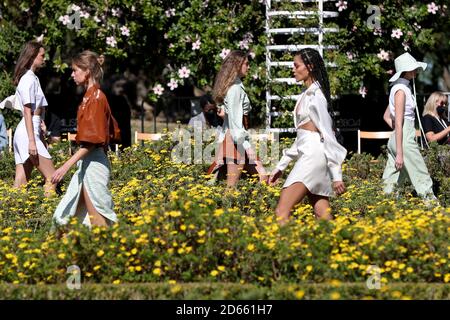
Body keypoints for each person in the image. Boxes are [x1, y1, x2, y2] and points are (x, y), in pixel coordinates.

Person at [268, 48, 347, 225]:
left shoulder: (316, 96)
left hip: (312, 158)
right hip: (309, 154)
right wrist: (281, 166)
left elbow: (328, 134)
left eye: (296, 66)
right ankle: (339, 246)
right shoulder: (306, 95)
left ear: (309, 67)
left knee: (282, 211)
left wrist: (336, 175)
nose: (293, 69)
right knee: (322, 215)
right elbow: (302, 138)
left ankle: (287, 251)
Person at [51, 51, 120, 228]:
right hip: (87, 163)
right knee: (65, 218)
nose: (72, 74)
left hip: (94, 164)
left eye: (75, 70)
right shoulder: (90, 96)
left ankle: (112, 253)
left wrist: (65, 166)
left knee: (97, 220)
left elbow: (93, 141)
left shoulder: (96, 98)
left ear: (87, 71)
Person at [382, 52, 436, 200]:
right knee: (421, 174)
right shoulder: (401, 91)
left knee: (392, 181)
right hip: (403, 139)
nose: (416, 71)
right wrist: (400, 151)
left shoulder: (398, 88)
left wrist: (397, 137)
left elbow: (386, 116)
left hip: (398, 138)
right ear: (406, 70)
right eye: (414, 68)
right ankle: (435, 211)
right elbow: (398, 122)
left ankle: (386, 209)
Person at [208, 50, 267, 186]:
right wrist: (250, 150)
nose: (248, 66)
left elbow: (231, 118)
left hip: (235, 140)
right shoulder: (235, 89)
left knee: (262, 179)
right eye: (246, 64)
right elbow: (236, 127)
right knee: (232, 188)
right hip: (236, 142)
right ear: (237, 65)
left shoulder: (235, 87)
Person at [12, 41, 56, 196]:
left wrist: (39, 132)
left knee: (21, 183)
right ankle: (51, 216)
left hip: (28, 131)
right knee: (52, 177)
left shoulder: (31, 78)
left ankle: (11, 217)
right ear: (32, 56)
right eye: (42, 55)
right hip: (27, 133)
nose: (44, 58)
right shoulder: (29, 79)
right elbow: (27, 111)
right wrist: (32, 140)